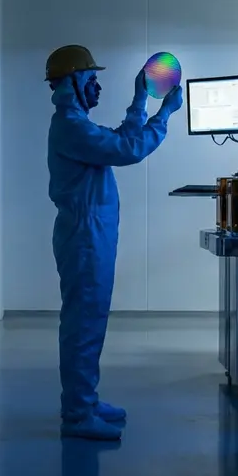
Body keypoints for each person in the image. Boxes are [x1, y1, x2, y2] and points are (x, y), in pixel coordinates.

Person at [45, 44, 184, 441]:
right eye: (91, 79)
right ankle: (77, 414)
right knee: (83, 323)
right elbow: (129, 149)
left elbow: (121, 137)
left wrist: (141, 97)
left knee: (90, 320)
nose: (97, 86)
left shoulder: (76, 123)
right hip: (85, 237)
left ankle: (84, 401)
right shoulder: (70, 126)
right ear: (72, 83)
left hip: (91, 234)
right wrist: (165, 114)